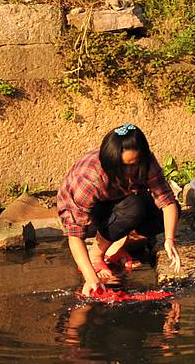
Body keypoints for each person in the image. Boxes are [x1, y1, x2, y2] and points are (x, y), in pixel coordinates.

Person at [57, 123, 182, 296]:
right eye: (123, 166)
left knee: (165, 215)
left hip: (120, 203)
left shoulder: (146, 163)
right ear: (111, 163)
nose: (129, 172)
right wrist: (91, 278)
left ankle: (116, 246)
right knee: (133, 207)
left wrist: (169, 240)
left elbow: (167, 202)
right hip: (92, 216)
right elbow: (75, 234)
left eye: (134, 165)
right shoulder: (89, 178)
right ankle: (96, 255)